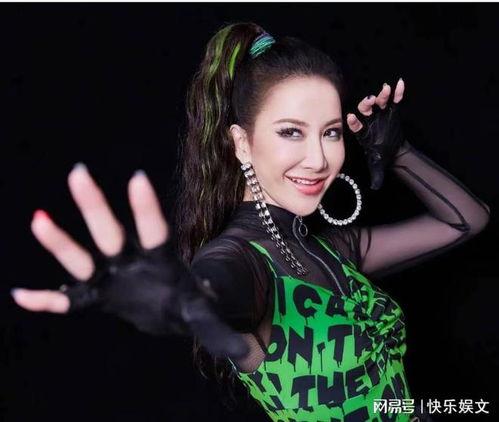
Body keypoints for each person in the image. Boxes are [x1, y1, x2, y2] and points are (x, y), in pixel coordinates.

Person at [11, 22, 491, 422]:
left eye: (330, 133)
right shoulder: (241, 260)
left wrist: (400, 152)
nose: (319, 158)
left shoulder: (331, 249)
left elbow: (467, 221)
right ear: (242, 142)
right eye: (291, 132)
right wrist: (188, 299)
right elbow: (219, 288)